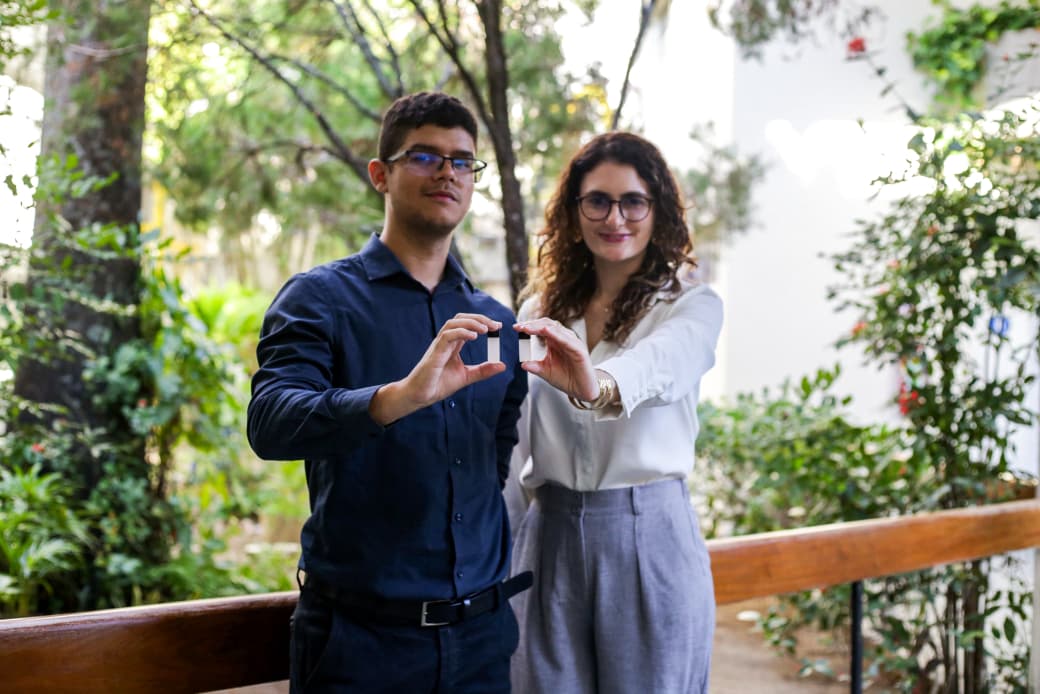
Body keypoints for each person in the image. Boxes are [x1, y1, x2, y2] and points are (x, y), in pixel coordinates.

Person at [247, 91, 530, 694]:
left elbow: (495, 455)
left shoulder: (497, 323)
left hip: (482, 643)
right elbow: (269, 423)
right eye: (425, 156)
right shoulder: (318, 298)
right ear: (380, 174)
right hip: (359, 647)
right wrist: (396, 398)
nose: (448, 172)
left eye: (462, 161)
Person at [506, 131, 723, 693]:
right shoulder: (539, 312)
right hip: (548, 537)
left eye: (633, 202)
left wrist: (596, 383)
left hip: (649, 536)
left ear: (658, 210)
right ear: (574, 211)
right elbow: (518, 444)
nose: (615, 217)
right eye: (597, 201)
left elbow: (663, 363)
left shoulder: (690, 306)